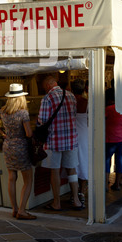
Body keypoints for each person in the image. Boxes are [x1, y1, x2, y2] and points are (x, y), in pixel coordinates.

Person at [0, 83, 36, 220]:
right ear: (21, 98)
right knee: (28, 180)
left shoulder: (3, 110)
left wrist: (2, 133)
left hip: (8, 145)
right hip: (21, 147)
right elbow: (28, 133)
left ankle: (14, 209)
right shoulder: (23, 112)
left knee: (11, 178)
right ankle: (22, 210)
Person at [38, 75, 83, 211]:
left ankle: (56, 203)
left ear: (47, 85)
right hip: (70, 139)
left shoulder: (47, 98)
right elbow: (73, 115)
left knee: (55, 171)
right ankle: (76, 200)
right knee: (72, 169)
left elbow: (42, 120)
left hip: (54, 141)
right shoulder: (70, 95)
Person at [105, 87, 122, 190]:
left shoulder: (108, 109)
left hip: (111, 138)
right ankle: (117, 184)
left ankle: (106, 184)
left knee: (107, 159)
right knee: (120, 160)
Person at [71, 79, 88, 207]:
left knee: (72, 165)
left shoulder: (69, 103)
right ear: (84, 89)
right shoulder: (87, 103)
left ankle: (74, 194)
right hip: (84, 136)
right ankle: (81, 192)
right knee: (83, 163)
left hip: (71, 136)